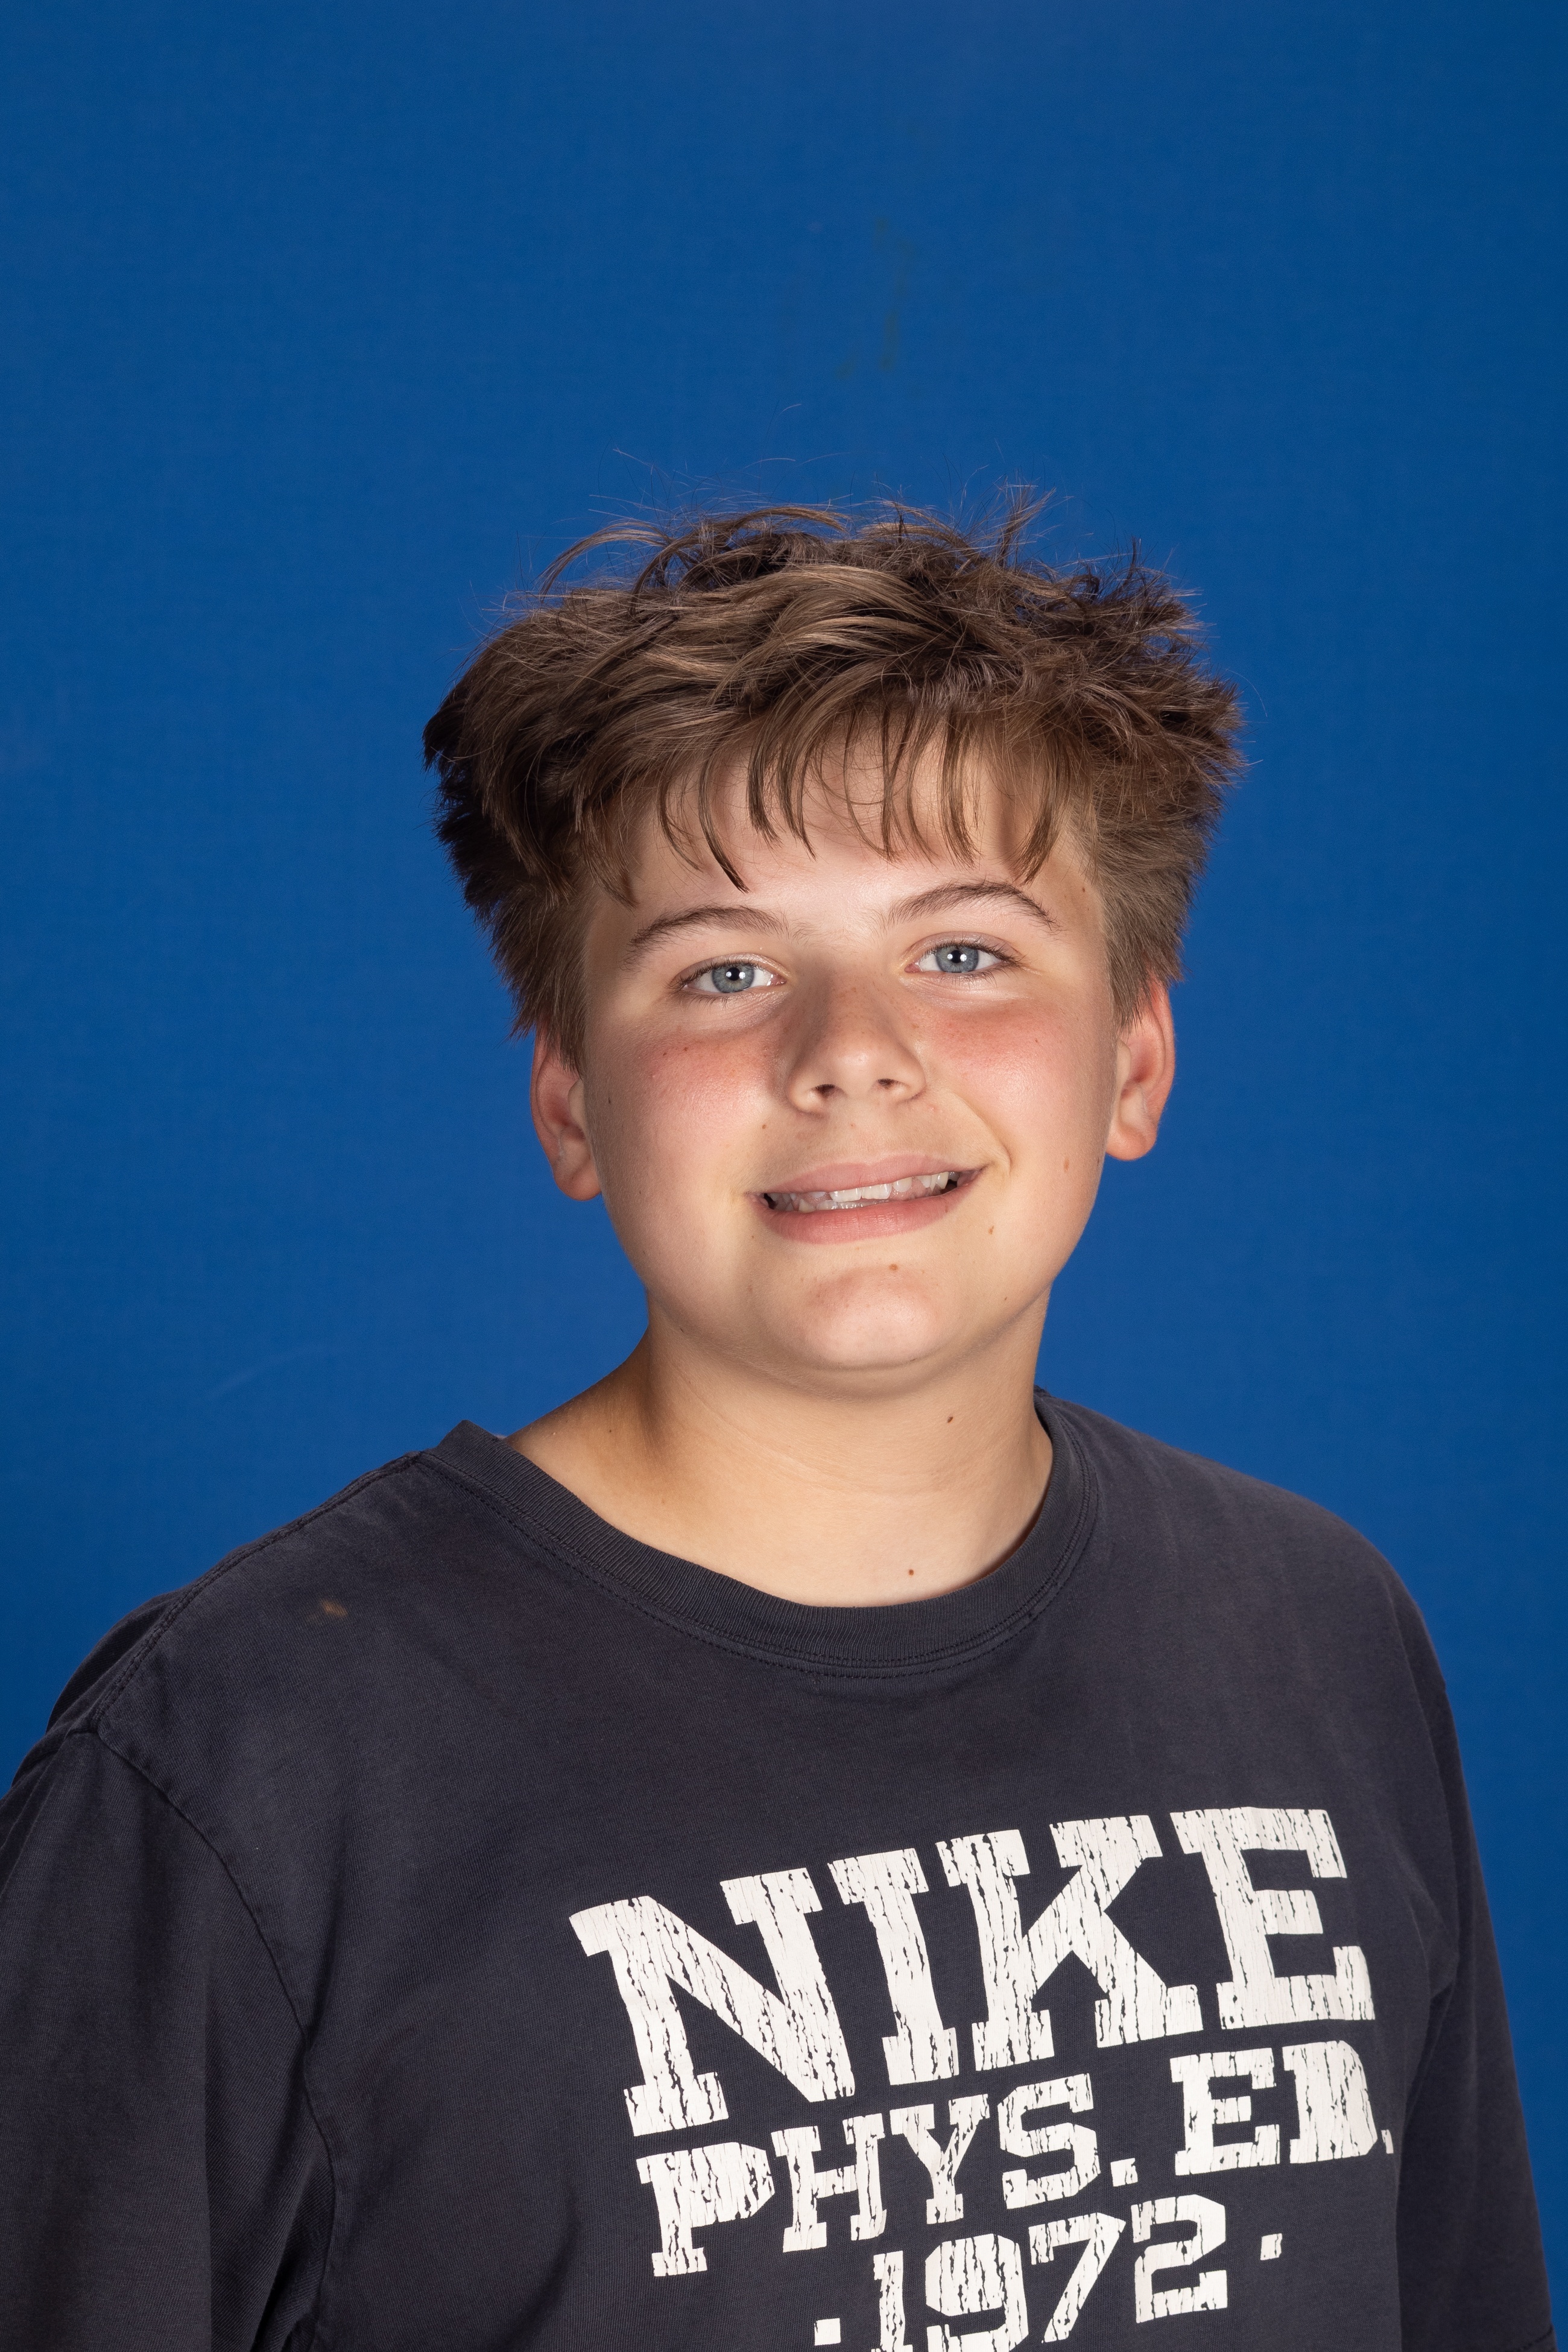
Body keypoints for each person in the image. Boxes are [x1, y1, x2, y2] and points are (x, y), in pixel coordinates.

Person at [0, 503, 1553, 2352]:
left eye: (964, 951)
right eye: (723, 969)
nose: (850, 1049)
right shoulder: (238, 1771)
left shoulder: (1318, 1638)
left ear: (1134, 1059)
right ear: (572, 1105)